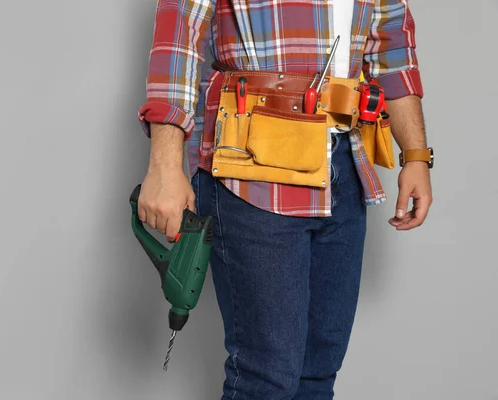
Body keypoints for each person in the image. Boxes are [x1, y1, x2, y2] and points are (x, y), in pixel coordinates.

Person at [136, 0, 433, 398]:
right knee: (267, 379)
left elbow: (392, 47)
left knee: (318, 372)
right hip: (253, 168)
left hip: (344, 168)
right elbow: (179, 34)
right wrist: (164, 167)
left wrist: (415, 154)